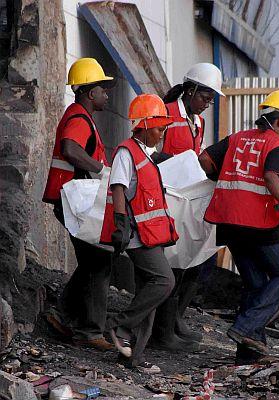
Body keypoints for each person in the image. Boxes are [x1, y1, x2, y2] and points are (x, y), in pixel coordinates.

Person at [198, 89, 279, 361]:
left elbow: (204, 159)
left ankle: (247, 355)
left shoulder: (237, 138)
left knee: (256, 284)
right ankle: (245, 327)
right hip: (258, 223)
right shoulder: (277, 145)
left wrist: (222, 178)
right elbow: (272, 177)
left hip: (229, 222)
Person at [100, 94, 178, 373]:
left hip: (149, 234)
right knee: (164, 282)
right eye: (158, 128)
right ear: (143, 125)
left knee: (150, 294)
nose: (161, 134)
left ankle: (132, 356)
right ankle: (120, 324)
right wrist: (120, 224)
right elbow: (119, 187)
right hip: (135, 234)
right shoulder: (126, 152)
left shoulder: (144, 154)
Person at [150, 63, 224, 352]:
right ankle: (164, 330)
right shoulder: (166, 112)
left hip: (187, 198)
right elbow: (148, 152)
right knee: (175, 261)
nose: (207, 105)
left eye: (211, 100)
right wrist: (175, 162)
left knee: (194, 260)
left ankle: (175, 319)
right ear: (191, 90)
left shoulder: (198, 122)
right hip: (167, 196)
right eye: (205, 98)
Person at [42, 57, 115, 350]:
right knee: (98, 261)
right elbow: (70, 149)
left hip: (71, 198)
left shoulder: (80, 116)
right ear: (88, 92)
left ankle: (62, 314)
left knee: (92, 262)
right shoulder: (78, 118)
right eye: (103, 89)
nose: (107, 94)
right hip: (72, 199)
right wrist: (100, 169)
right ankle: (89, 331)